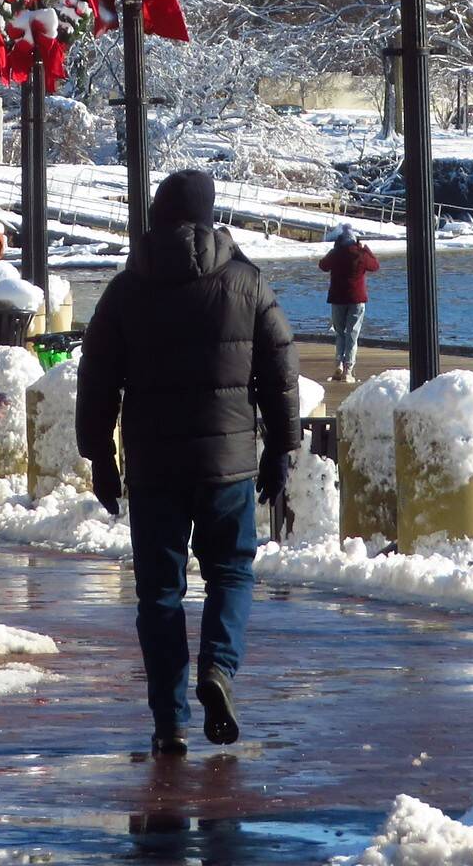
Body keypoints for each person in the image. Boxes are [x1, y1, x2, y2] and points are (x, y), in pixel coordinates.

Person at [77, 169, 300, 757]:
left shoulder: (126, 289)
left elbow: (96, 379)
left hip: (153, 468)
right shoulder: (247, 283)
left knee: (159, 593)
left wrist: (100, 455)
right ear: (209, 218)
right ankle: (218, 670)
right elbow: (281, 373)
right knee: (230, 571)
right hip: (227, 463)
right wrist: (281, 447)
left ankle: (169, 721)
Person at [317, 226, 380, 380]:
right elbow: (375, 266)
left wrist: (333, 250)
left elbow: (323, 265)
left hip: (337, 299)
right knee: (352, 334)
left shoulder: (336, 254)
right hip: (357, 299)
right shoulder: (360, 254)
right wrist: (366, 250)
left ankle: (338, 363)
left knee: (340, 333)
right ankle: (348, 370)